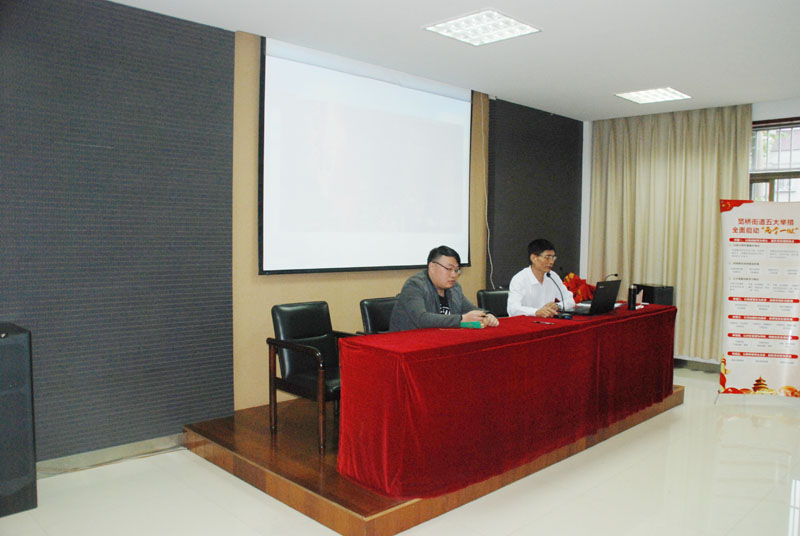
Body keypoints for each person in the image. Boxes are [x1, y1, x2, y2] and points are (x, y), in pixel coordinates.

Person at [389, 245, 500, 331]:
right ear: (432, 267)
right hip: (409, 343)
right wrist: (461, 319)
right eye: (449, 269)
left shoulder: (454, 288)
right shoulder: (415, 285)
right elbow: (421, 319)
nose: (454, 275)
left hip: (440, 340)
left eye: (456, 270)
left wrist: (486, 315)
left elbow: (469, 308)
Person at [507, 238, 576, 318]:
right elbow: (513, 309)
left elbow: (570, 300)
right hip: (526, 322)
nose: (551, 262)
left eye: (553, 257)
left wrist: (558, 306)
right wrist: (536, 312)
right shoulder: (519, 279)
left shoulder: (552, 276)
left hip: (548, 321)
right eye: (547, 257)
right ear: (534, 258)